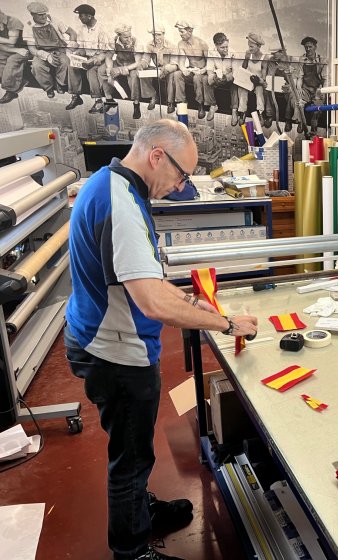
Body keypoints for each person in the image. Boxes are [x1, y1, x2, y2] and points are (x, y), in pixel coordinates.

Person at [64, 119, 258, 560]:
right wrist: (225, 325)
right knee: (130, 458)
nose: (179, 185)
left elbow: (140, 278)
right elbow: (150, 302)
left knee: (135, 448)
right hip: (115, 349)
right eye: (181, 174)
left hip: (100, 334)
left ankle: (138, 512)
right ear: (156, 155)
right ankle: (131, 549)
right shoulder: (122, 204)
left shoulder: (111, 183)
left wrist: (191, 302)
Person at [26, 1, 76, 98]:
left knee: (65, 62)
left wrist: (70, 47)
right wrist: (46, 56)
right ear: (33, 15)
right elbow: (32, 48)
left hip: (58, 49)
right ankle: (48, 88)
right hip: (41, 52)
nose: (44, 16)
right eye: (40, 15)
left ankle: (60, 84)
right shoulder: (29, 27)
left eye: (45, 13)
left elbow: (72, 33)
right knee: (36, 66)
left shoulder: (54, 20)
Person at [66, 3, 108, 113]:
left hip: (98, 58)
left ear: (89, 16)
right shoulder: (82, 29)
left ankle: (98, 100)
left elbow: (105, 52)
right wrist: (78, 53)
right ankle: (76, 96)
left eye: (81, 16)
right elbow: (82, 48)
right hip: (86, 57)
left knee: (90, 71)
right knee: (72, 66)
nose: (80, 18)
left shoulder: (102, 30)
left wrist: (94, 60)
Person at [100, 24, 145, 119]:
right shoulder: (113, 40)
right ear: (119, 35)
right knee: (103, 71)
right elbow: (108, 57)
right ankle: (109, 99)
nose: (129, 39)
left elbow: (138, 62)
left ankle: (136, 104)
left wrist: (121, 70)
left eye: (130, 36)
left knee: (134, 77)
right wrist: (109, 69)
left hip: (131, 65)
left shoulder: (136, 41)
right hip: (119, 62)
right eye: (125, 37)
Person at [172, 21, 209, 119]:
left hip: (203, 72)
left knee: (197, 78)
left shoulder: (202, 43)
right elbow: (181, 62)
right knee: (177, 74)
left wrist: (203, 70)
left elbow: (210, 62)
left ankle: (200, 104)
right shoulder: (181, 44)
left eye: (182, 32)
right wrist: (184, 69)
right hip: (192, 70)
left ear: (190, 31)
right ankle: (182, 103)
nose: (180, 34)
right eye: (179, 32)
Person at [205, 32, 244, 124]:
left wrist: (227, 77)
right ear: (216, 46)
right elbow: (209, 70)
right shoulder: (211, 52)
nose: (226, 49)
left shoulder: (233, 53)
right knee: (206, 80)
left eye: (226, 47)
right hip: (218, 77)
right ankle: (213, 105)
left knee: (235, 85)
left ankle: (234, 110)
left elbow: (236, 71)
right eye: (222, 47)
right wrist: (214, 77)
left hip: (230, 78)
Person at [140, 25, 177, 113]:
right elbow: (146, 59)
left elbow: (174, 64)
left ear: (163, 34)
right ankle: (153, 96)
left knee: (172, 75)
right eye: (154, 35)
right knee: (143, 73)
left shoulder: (171, 45)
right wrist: (142, 65)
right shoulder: (149, 44)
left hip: (168, 68)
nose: (156, 37)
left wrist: (166, 69)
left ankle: (170, 102)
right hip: (158, 68)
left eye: (159, 35)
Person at [0, 7, 29, 104]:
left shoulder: (13, 21)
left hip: (23, 51)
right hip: (9, 50)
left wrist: (14, 49)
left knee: (12, 61)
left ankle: (11, 91)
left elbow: (11, 42)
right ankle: (20, 81)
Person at [241, 32, 269, 127]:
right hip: (248, 80)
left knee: (259, 91)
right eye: (249, 46)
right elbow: (243, 69)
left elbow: (264, 77)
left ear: (258, 46)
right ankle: (242, 111)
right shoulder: (249, 54)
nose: (249, 48)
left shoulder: (264, 58)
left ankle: (261, 113)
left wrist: (259, 81)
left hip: (258, 82)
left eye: (252, 46)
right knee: (242, 89)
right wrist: (246, 58)